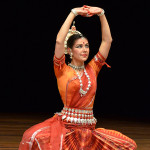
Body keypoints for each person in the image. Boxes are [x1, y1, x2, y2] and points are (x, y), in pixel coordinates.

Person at [19, 5, 137, 150]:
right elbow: (58, 41)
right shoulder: (62, 69)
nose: (84, 49)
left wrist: (101, 14)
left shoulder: (93, 68)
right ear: (70, 50)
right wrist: (73, 13)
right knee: (35, 137)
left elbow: (107, 41)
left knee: (129, 145)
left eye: (86, 45)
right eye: (79, 46)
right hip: (67, 129)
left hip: (89, 131)